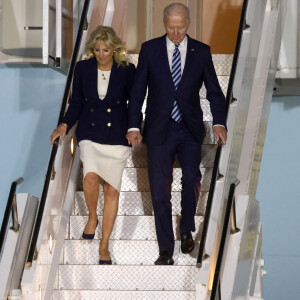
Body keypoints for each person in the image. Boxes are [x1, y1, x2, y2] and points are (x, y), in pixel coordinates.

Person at [127, 3, 227, 265]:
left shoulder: (201, 52)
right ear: (164, 24)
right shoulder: (149, 50)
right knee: (160, 191)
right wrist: (134, 126)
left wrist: (219, 123)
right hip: (159, 128)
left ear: (188, 24)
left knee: (193, 178)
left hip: (189, 127)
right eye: (171, 27)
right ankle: (165, 250)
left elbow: (215, 92)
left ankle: (186, 230)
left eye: (180, 27)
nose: (175, 32)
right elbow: (137, 93)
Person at [50, 26, 135, 265]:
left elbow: (135, 102)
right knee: (89, 178)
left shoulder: (127, 70)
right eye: (96, 49)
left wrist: (134, 128)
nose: (100, 54)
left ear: (114, 49)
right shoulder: (83, 68)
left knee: (112, 190)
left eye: (105, 50)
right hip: (89, 132)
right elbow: (76, 101)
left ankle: (104, 244)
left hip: (117, 135)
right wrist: (64, 125)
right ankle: (92, 216)